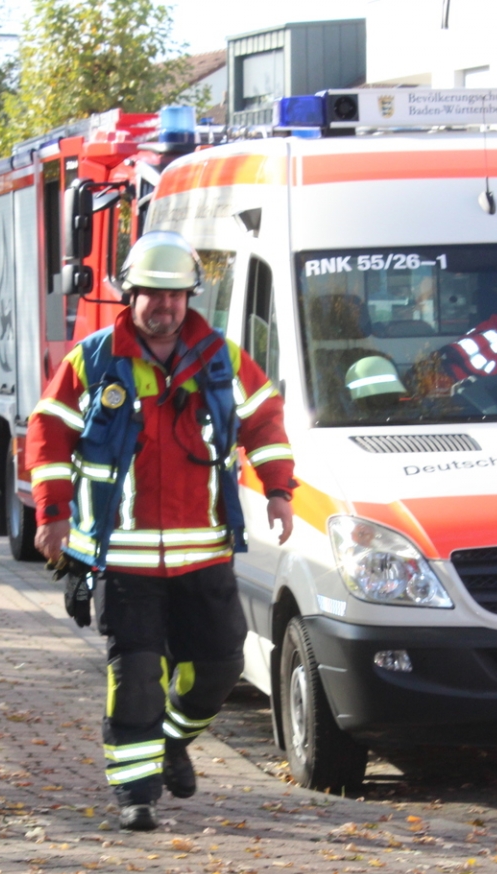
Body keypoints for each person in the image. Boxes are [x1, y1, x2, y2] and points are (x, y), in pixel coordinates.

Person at [26, 231, 296, 833]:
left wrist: (279, 489)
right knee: (137, 677)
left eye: (176, 296)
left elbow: (265, 421)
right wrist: (52, 513)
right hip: (123, 558)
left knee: (222, 668)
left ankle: (172, 743)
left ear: (190, 299)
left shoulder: (222, 358)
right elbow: (47, 433)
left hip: (205, 554)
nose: (165, 307)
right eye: (153, 295)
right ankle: (137, 795)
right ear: (130, 294)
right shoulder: (93, 360)